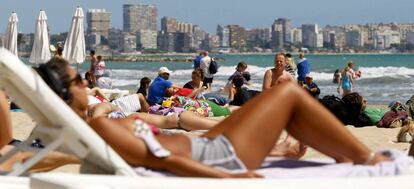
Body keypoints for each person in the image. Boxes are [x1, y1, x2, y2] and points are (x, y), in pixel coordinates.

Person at [37, 57, 391, 178]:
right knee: (287, 92)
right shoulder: (96, 127)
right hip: (217, 155)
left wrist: (98, 107)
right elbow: (165, 158)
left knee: (284, 91)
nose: (87, 80)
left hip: (209, 144)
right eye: (79, 79)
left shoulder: (90, 124)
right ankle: (365, 158)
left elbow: (40, 155)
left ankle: (294, 151)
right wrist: (226, 178)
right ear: (66, 92)